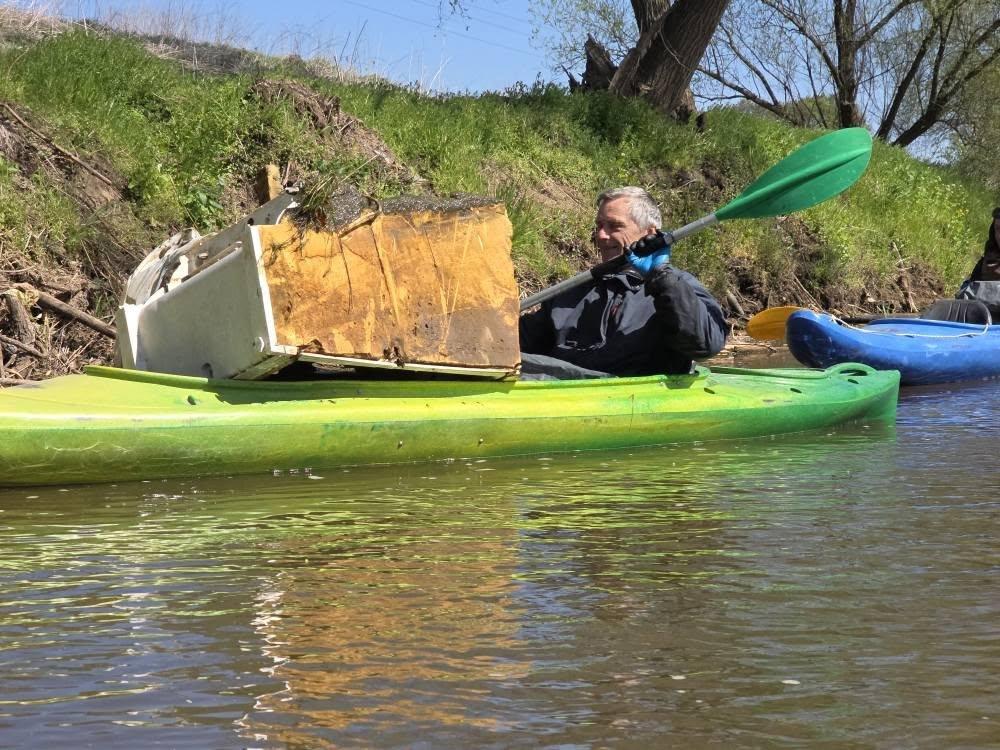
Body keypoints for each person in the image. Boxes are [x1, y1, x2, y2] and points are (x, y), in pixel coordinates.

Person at [519, 186, 728, 378]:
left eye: (614, 226)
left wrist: (661, 275)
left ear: (650, 233)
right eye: (599, 225)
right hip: (563, 393)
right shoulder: (572, 291)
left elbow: (706, 346)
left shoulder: (677, 286)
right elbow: (520, 342)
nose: (601, 235)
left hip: (635, 398)